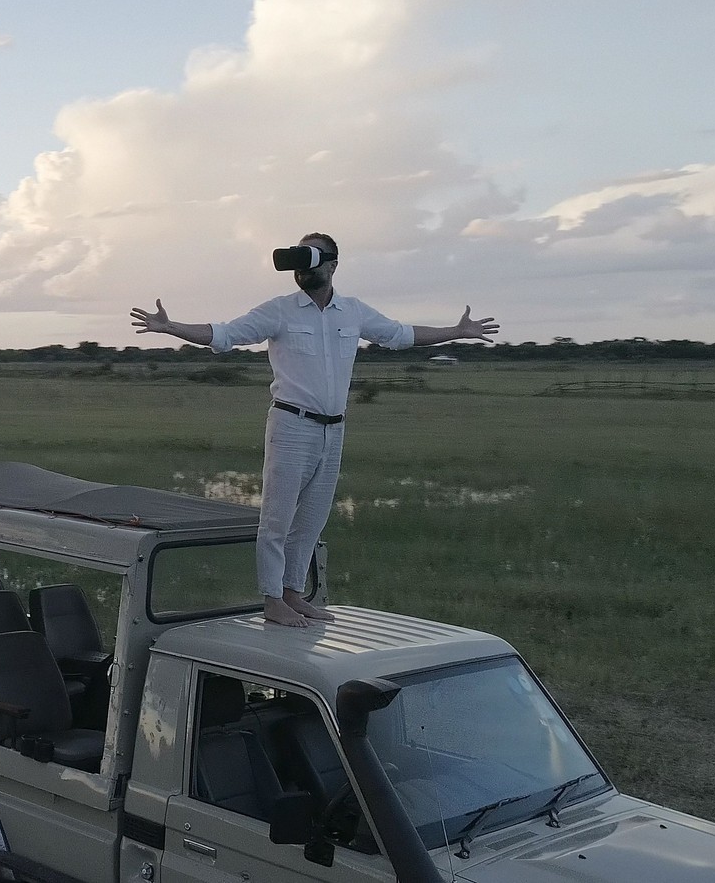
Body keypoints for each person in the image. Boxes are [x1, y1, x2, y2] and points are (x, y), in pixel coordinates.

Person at [129, 233, 498, 627]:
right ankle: (271, 599)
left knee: (312, 520)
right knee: (277, 518)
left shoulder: (352, 312)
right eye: (296, 262)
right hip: (291, 425)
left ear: (333, 264)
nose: (302, 270)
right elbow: (225, 334)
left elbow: (400, 335)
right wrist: (171, 328)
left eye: (310, 260)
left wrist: (455, 332)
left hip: (333, 430)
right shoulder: (280, 311)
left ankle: (292, 593)